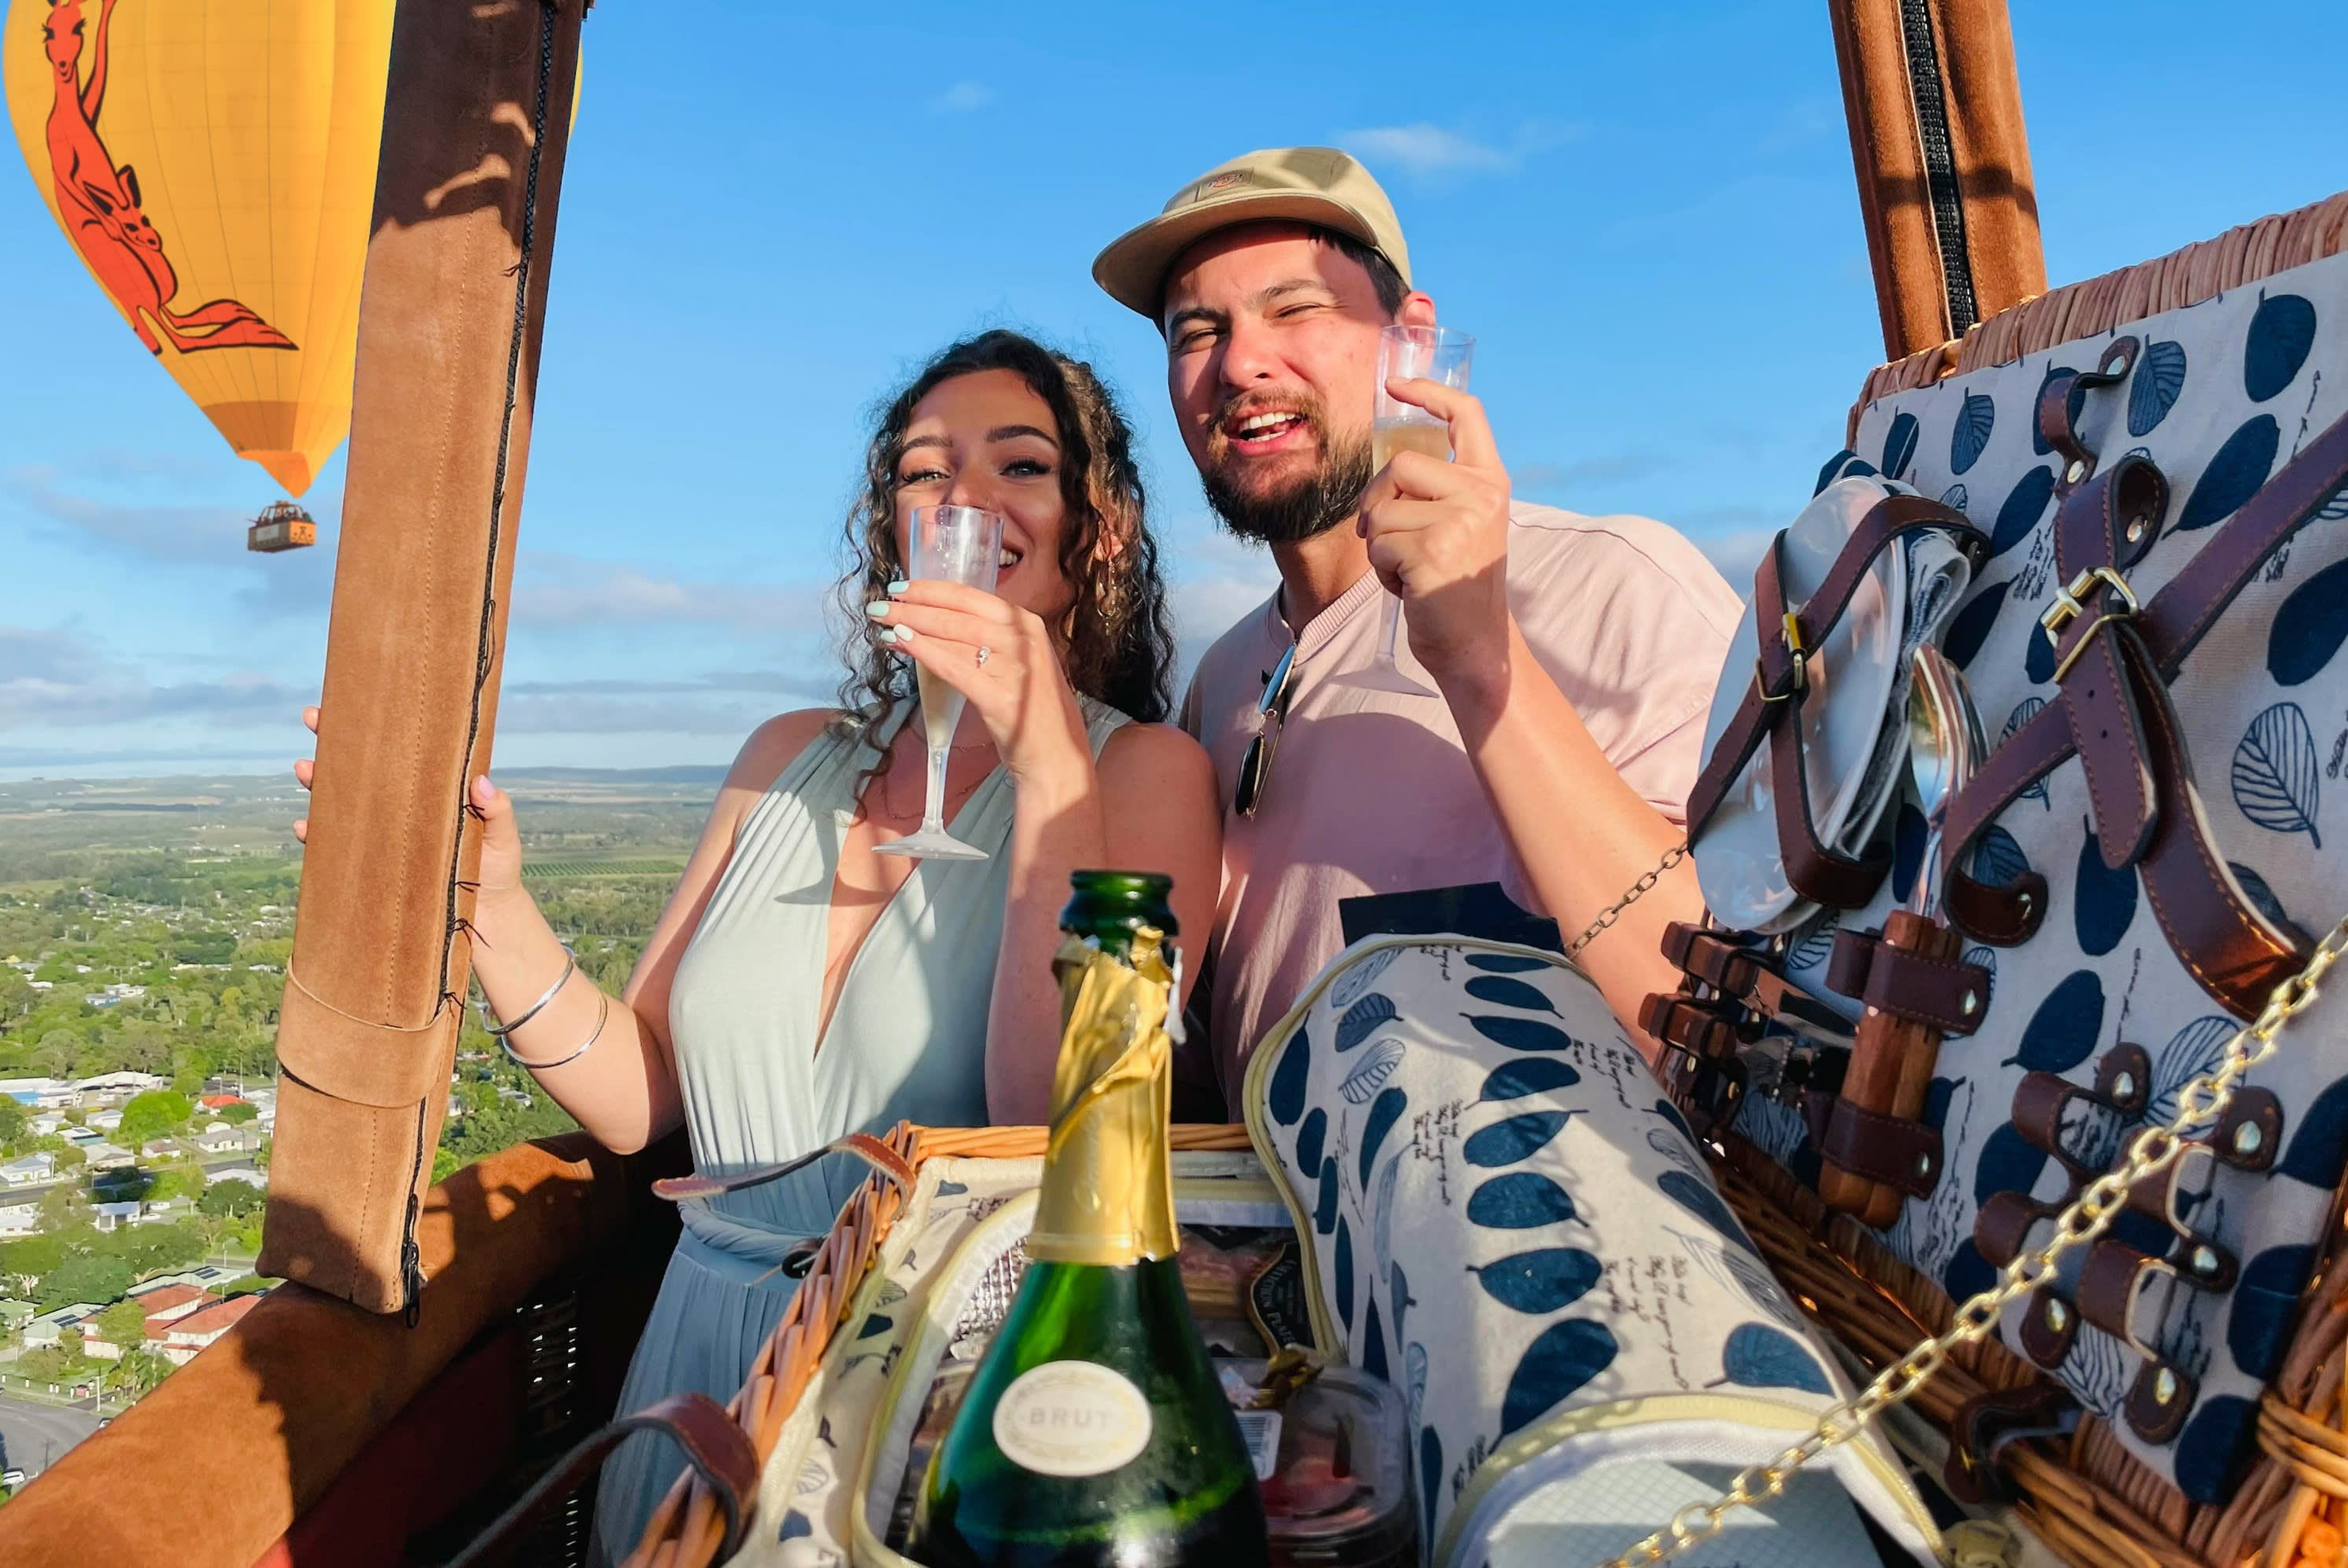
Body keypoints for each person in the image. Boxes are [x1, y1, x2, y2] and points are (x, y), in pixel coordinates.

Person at [291, 329, 1221, 1559]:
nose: (965, 501)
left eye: (1023, 465)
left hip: (933, 1390)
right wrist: (490, 907)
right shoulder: (787, 754)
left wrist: (1047, 759)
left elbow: (1048, 1124)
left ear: (1099, 531)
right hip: (693, 1367)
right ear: (892, 531)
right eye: (925, 471)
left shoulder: (1147, 775)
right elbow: (640, 1093)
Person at [1090, 148, 1742, 1111]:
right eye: (1199, 331)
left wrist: (1482, 660)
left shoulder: (1613, 588)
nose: (1240, 363)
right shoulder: (1220, 678)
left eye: (1294, 307)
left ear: (1413, 338)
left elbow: (1724, 1037)